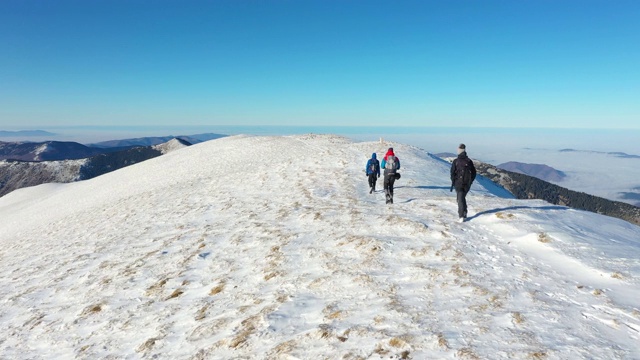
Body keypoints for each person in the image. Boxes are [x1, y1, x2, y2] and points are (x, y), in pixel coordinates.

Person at [450, 143, 476, 222]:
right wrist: (470, 181)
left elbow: (452, 172)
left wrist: (454, 181)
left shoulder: (456, 161)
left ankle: (461, 216)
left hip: (459, 183)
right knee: (461, 198)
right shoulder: (468, 161)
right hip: (466, 183)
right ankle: (464, 213)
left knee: (460, 198)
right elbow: (474, 172)